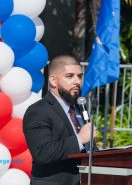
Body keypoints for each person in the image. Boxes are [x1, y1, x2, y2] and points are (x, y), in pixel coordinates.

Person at [23, 55, 97, 185]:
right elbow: (42, 153)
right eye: (70, 76)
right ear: (53, 81)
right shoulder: (38, 111)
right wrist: (79, 140)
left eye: (79, 76)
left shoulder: (79, 109)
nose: (77, 82)